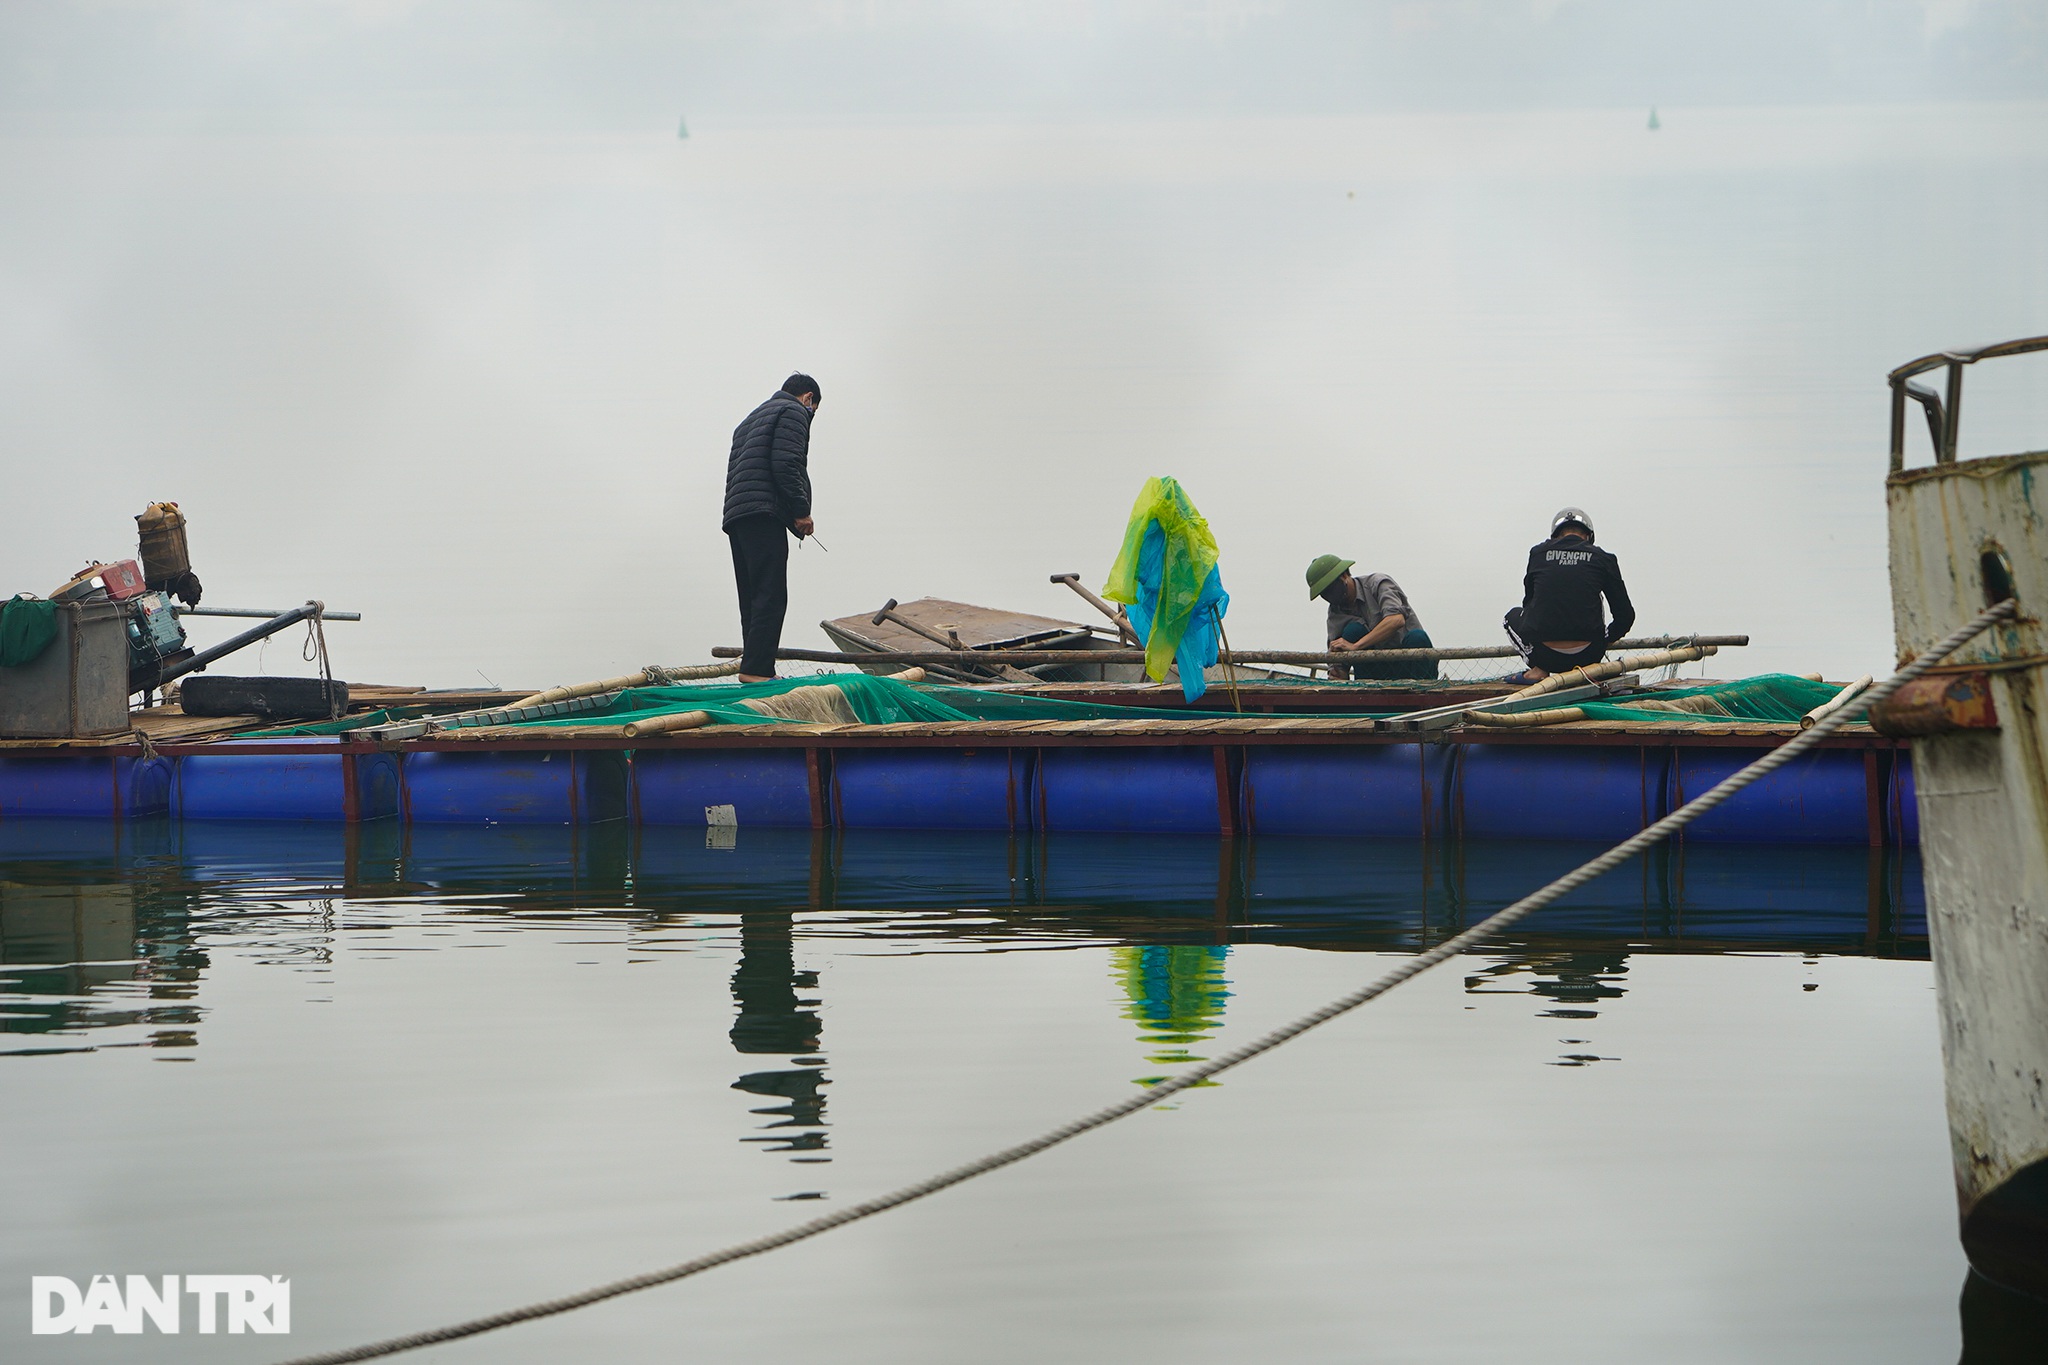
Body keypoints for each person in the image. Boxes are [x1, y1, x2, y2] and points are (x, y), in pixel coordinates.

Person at [723, 373, 820, 682]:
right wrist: (801, 512)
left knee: (752, 594)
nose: (812, 415)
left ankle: (753, 665)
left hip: (737, 515)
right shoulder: (793, 411)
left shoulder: (750, 419)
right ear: (808, 398)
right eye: (814, 409)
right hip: (764, 513)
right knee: (771, 593)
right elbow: (787, 463)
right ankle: (758, 670)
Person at [1503, 507, 1634, 682]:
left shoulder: (1538, 554)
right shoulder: (1603, 558)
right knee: (1597, 600)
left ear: (1556, 536)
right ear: (1589, 536)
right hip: (1589, 656)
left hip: (1545, 656)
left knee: (1510, 618)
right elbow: (1625, 616)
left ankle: (1538, 670)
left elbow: (1529, 606)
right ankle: (1588, 665)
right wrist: (1606, 639)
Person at [1306, 554, 1438, 681]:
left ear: (1345, 575)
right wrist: (1338, 672)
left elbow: (1396, 620)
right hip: (1375, 670)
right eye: (1324, 594)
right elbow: (1336, 649)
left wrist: (1356, 646)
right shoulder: (1336, 613)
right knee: (1353, 630)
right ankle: (1366, 692)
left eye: (1331, 589)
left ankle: (1422, 693)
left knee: (1417, 637)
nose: (1330, 596)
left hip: (1410, 664)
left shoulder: (1378, 584)